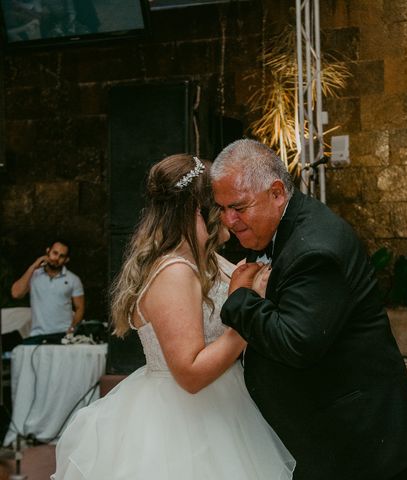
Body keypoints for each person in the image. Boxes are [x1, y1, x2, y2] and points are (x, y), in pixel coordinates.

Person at [52, 154, 294, 479]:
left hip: (225, 407)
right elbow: (190, 373)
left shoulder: (207, 261)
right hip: (182, 421)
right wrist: (248, 314)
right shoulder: (174, 273)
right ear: (200, 209)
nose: (230, 216)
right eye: (222, 206)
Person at [211, 139, 407, 480]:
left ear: (278, 193)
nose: (229, 220)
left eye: (238, 207)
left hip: (357, 443)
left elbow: (297, 342)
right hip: (323, 438)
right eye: (221, 208)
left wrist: (240, 298)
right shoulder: (270, 230)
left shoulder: (315, 249)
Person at [11, 239, 85, 344]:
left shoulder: (73, 279)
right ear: (48, 251)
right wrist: (33, 266)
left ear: (66, 260)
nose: (57, 258)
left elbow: (80, 307)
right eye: (55, 253)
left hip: (63, 335)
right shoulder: (34, 275)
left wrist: (72, 329)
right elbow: (16, 294)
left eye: (61, 256)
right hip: (37, 335)